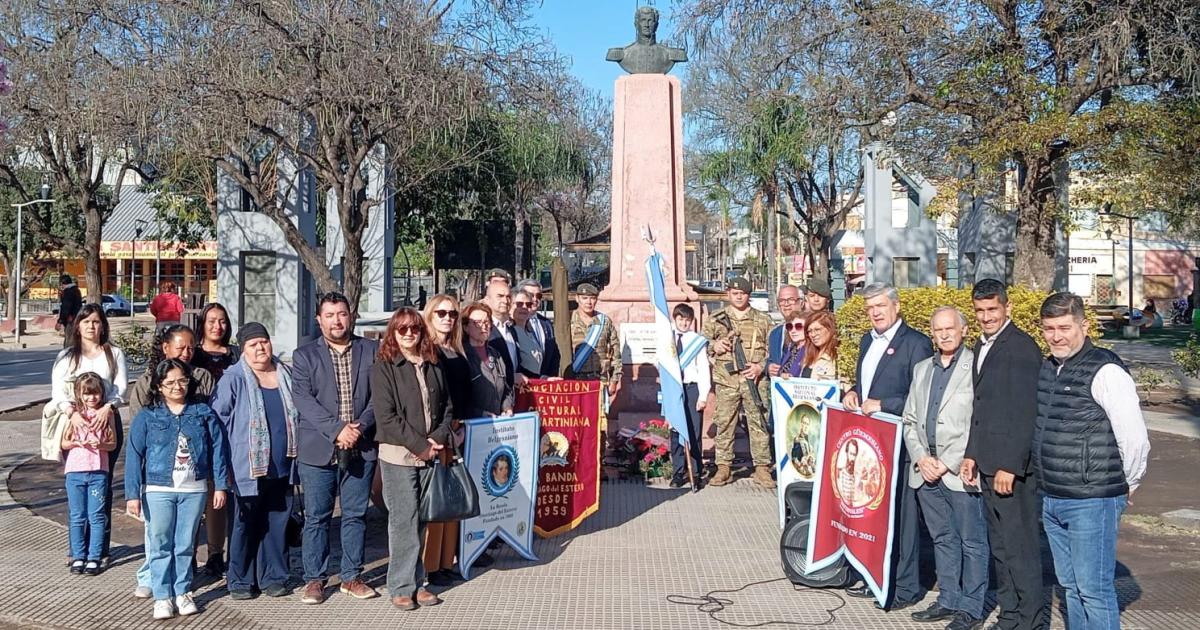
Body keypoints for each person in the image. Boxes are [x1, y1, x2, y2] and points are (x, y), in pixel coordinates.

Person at [1033, 293, 1150, 630]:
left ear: (1084, 326)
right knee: (1070, 587)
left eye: (1065, 328)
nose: (1056, 336)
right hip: (1053, 496)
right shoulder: (1049, 368)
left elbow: (1135, 438)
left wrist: (1129, 482)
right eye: (1049, 329)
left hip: (1092, 499)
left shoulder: (1106, 370)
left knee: (1093, 590)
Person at [960, 279, 1048, 630]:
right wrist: (972, 454)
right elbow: (982, 409)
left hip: (1011, 469)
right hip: (987, 461)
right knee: (1000, 545)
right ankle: (1010, 615)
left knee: (1020, 547)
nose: (986, 317)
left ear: (1006, 308)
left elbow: (1026, 412)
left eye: (992, 309)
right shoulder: (982, 345)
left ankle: (1030, 620)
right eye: (980, 311)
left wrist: (1009, 465)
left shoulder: (1022, 348)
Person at [842, 282, 932, 610]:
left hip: (903, 446)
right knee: (876, 515)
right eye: (870, 308)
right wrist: (853, 391)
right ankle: (876, 576)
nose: (875, 313)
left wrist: (884, 404)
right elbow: (866, 384)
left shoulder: (917, 344)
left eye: (880, 306)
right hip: (872, 446)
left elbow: (921, 398)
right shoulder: (867, 340)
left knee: (904, 521)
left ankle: (905, 587)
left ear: (896, 306)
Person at [902, 307, 988, 630]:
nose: (944, 335)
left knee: (972, 541)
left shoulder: (975, 367)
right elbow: (910, 419)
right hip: (924, 469)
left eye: (950, 328)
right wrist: (921, 458)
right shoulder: (923, 368)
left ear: (964, 330)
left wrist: (947, 462)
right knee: (942, 537)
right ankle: (949, 598)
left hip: (958, 469)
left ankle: (972, 607)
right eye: (938, 330)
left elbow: (977, 421)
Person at [291, 292, 380, 605]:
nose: (337, 321)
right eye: (329, 315)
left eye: (341, 314)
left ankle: (351, 576)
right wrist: (337, 429)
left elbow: (379, 397)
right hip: (319, 448)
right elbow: (303, 400)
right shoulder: (304, 355)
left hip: (362, 442)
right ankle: (315, 578)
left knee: (355, 514)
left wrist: (357, 428)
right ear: (319, 319)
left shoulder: (372, 350)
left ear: (350, 315)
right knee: (317, 516)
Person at [126, 358, 229, 619]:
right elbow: (134, 456)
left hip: (194, 489)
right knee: (160, 543)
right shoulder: (147, 417)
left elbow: (218, 450)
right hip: (158, 489)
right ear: (159, 386)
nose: (177, 386)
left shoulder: (203, 413)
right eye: (170, 382)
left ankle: (183, 592)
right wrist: (132, 495)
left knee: (184, 545)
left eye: (182, 380)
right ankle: (162, 596)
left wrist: (220, 485)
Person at [371, 307, 454, 611]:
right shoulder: (384, 366)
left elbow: (446, 407)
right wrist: (421, 445)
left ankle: (417, 583)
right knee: (403, 520)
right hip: (399, 455)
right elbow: (387, 417)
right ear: (393, 332)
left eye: (414, 329)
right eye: (402, 329)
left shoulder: (433, 363)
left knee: (421, 519)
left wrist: (439, 438)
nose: (409, 334)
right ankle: (401, 586)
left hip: (431, 450)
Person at [210, 323, 299, 600]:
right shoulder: (233, 378)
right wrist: (222, 468)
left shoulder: (285, 373)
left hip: (282, 466)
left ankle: (274, 576)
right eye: (253, 344)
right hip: (245, 468)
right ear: (243, 349)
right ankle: (240, 579)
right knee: (244, 524)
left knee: (276, 523)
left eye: (264, 342)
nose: (260, 348)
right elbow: (218, 423)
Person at [50, 303, 128, 563]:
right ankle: (77, 550)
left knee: (101, 486)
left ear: (103, 325)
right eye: (86, 322)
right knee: (76, 488)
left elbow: (120, 388)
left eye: (96, 322)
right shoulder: (67, 356)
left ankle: (99, 550)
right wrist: (71, 413)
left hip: (106, 423)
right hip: (75, 424)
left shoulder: (113, 353)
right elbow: (58, 392)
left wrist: (109, 407)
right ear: (78, 326)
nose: (91, 327)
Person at [702, 277, 774, 488]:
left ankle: (762, 468)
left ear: (748, 295)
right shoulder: (716, 318)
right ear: (728, 294)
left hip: (754, 381)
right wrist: (715, 345)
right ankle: (724, 466)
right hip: (728, 381)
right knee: (725, 423)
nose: (739, 296)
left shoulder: (763, 320)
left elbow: (774, 352)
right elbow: (700, 344)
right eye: (735, 293)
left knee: (759, 423)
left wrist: (760, 366)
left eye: (742, 293)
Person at [423, 294, 471, 586]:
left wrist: (461, 424)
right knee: (435, 502)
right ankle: (429, 566)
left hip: (458, 431)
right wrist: (441, 431)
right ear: (430, 315)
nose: (447, 318)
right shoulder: (426, 349)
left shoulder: (456, 349)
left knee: (452, 502)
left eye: (452, 314)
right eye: (441, 313)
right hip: (437, 435)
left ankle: (445, 561)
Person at [60, 373, 117, 577]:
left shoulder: (106, 414)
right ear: (79, 394)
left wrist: (100, 445)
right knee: (77, 515)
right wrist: (76, 443)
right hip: (75, 471)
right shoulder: (74, 414)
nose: (92, 398)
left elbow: (113, 444)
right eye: (87, 394)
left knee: (96, 515)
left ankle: (94, 556)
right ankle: (77, 555)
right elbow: (64, 442)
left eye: (96, 393)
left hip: (98, 472)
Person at [565, 283, 622, 429]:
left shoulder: (604, 322)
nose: (589, 302)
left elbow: (615, 352)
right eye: (585, 298)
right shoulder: (567, 321)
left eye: (592, 298)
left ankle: (600, 452)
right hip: (575, 380)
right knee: (575, 424)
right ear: (577, 298)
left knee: (599, 426)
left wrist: (614, 380)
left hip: (599, 381)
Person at [670, 304, 709, 490]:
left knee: (694, 431)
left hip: (692, 389)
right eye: (680, 319)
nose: (684, 323)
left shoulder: (697, 341)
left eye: (687, 320)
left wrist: (703, 395)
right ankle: (678, 471)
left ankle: (695, 471)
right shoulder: (667, 338)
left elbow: (703, 369)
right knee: (676, 430)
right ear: (675, 319)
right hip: (673, 389)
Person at [461, 302, 515, 418]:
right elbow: (459, 400)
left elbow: (506, 388)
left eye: (486, 322)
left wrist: (507, 407)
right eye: (477, 323)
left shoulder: (496, 355)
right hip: (472, 426)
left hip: (498, 426)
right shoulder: (462, 357)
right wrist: (479, 413)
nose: (484, 326)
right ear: (465, 327)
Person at [515, 278, 560, 375]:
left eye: (538, 296)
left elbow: (554, 356)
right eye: (530, 295)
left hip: (544, 383)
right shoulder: (513, 323)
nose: (535, 299)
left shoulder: (546, 323)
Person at [192, 303, 240, 384]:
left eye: (222, 322)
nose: (218, 326)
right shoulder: (193, 354)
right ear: (202, 324)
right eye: (211, 322)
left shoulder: (237, 353)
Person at [483, 278, 517, 389]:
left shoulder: (511, 330)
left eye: (508, 297)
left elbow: (516, 367)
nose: (505, 300)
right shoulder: (482, 330)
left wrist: (542, 378)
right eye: (500, 296)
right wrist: (512, 377)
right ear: (487, 300)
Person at [767, 285, 805, 377]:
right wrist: (768, 367)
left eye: (791, 299)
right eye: (782, 301)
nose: (786, 304)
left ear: (801, 303)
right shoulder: (775, 333)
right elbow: (771, 359)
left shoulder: (811, 330)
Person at [800, 310, 839, 384]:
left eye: (817, 330)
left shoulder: (839, 358)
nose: (813, 334)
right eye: (810, 331)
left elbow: (847, 386)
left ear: (830, 329)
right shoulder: (808, 356)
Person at [57, 274, 83, 342]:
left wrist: (60, 321)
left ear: (62, 283)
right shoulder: (76, 290)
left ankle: (69, 352)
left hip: (70, 319)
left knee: (70, 340)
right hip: (77, 317)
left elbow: (66, 307)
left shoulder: (68, 292)